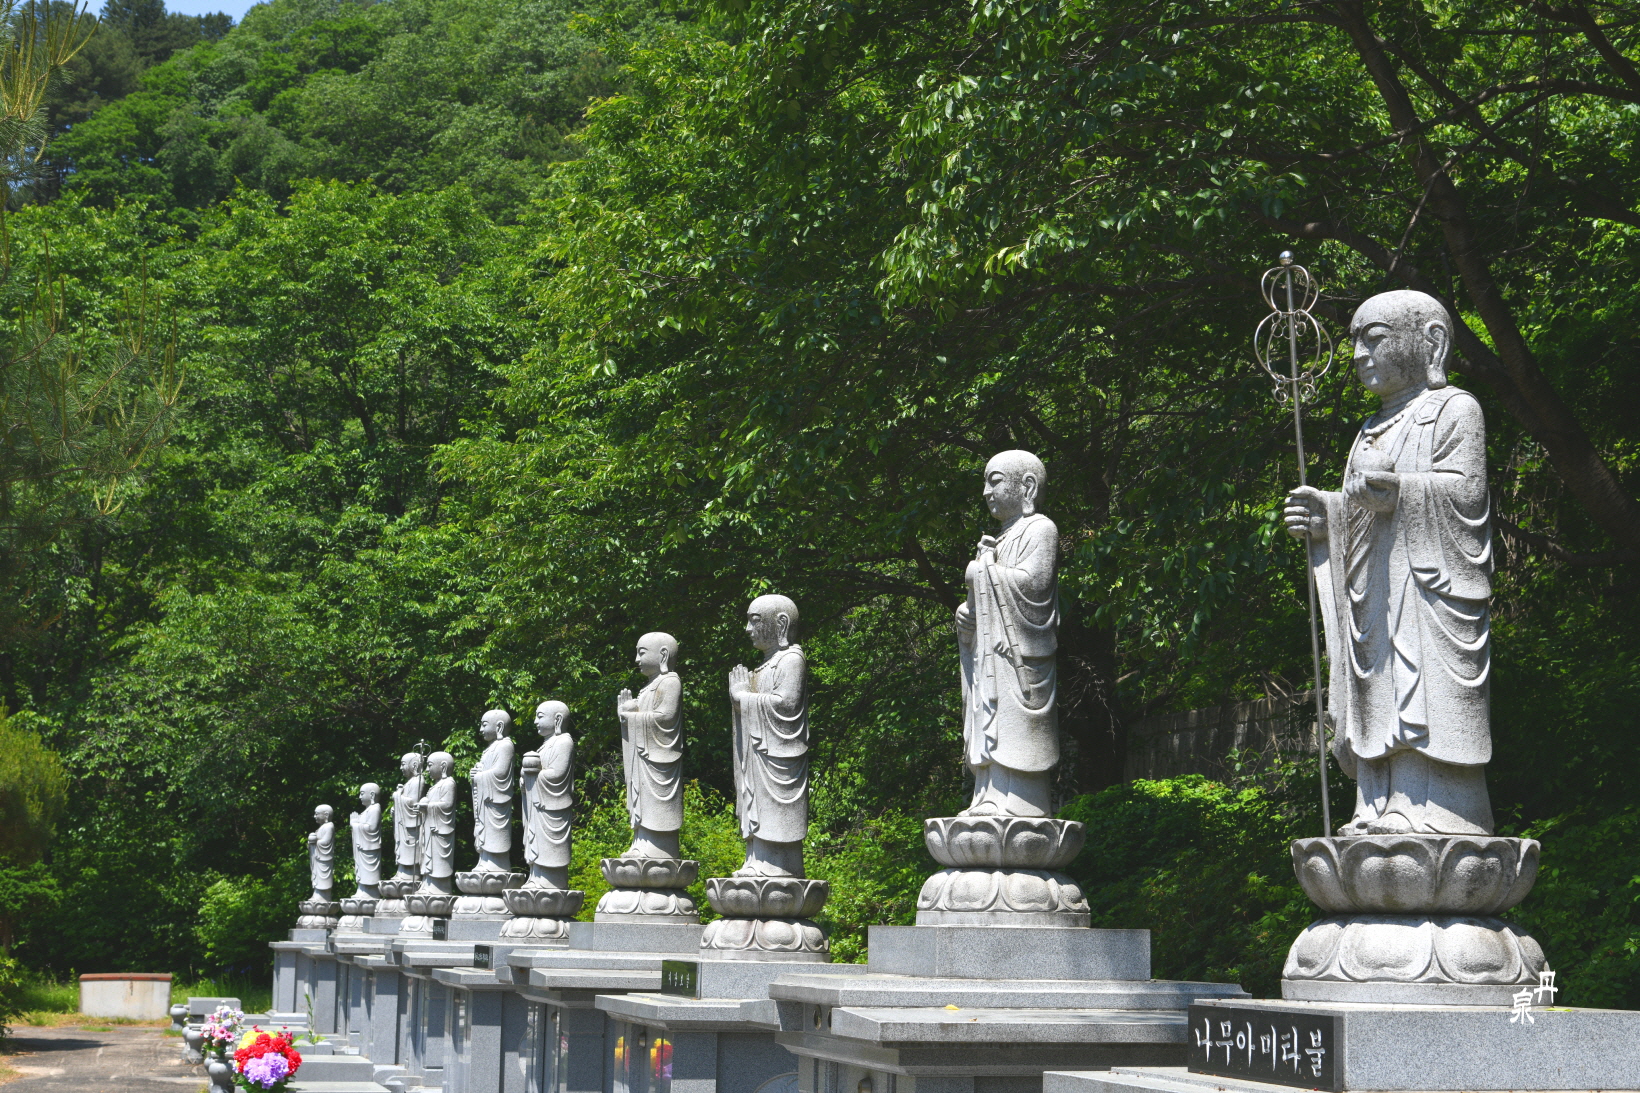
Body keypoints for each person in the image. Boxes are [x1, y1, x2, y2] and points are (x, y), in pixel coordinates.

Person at [1284, 289, 1493, 836]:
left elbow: (1467, 495)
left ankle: (1434, 807)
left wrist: (1401, 492)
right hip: (1376, 587)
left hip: (1424, 589)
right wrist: (1329, 515)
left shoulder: (1454, 410)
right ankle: (1375, 801)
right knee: (1376, 683)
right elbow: (1360, 508)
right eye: (1355, 342)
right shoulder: (1368, 429)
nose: (1359, 354)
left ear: (1432, 342)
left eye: (1374, 339)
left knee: (1418, 682)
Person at [955, 450, 1060, 817]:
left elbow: (1034, 586)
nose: (986, 492)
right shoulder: (998, 540)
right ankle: (988, 793)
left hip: (1019, 657)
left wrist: (979, 572)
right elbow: (983, 601)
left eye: (994, 481)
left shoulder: (1041, 529)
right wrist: (967, 617)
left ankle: (1020, 802)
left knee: (1014, 726)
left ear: (1027, 486)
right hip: (990, 656)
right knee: (990, 717)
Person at [728, 595, 809, 877]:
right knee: (754, 799)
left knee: (774, 808)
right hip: (757, 754)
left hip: (778, 755)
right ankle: (757, 857)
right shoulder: (765, 665)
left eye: (754, 621)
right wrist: (741, 700)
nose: (748, 629)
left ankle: (777, 864)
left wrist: (743, 697)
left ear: (781, 624)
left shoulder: (791, 659)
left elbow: (786, 705)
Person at [616, 633, 684, 858]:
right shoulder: (648, 687)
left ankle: (657, 847)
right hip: (643, 757)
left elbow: (666, 717)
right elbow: (644, 716)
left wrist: (632, 716)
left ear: (663, 655)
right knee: (641, 797)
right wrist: (627, 714)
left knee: (656, 802)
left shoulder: (670, 681)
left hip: (659, 757)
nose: (637, 659)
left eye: (642, 653)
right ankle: (642, 840)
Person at [521, 700, 575, 889]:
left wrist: (532, 775)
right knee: (535, 840)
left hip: (552, 805)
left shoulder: (564, 742)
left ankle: (550, 881)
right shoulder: (545, 745)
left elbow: (557, 775)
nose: (535, 721)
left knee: (550, 846)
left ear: (557, 720)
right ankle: (536, 876)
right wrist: (525, 778)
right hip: (538, 806)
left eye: (540, 716)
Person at [469, 709, 516, 872]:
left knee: (495, 831)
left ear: (499, 727)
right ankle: (485, 859)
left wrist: (480, 776)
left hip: (496, 800)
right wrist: (477, 772)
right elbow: (488, 770)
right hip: (486, 800)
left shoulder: (505, 746)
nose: (481, 729)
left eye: (484, 725)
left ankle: (496, 863)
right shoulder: (490, 748)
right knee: (483, 828)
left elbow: (501, 773)